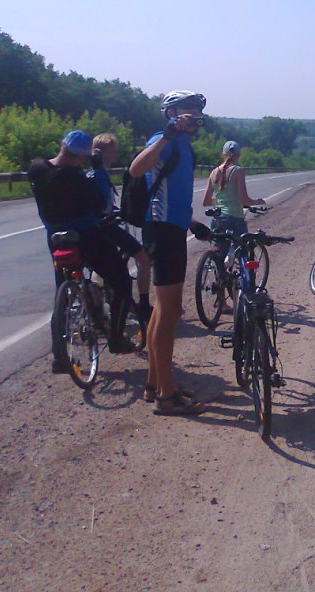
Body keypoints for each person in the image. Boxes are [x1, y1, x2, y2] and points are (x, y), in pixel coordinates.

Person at [28, 130, 137, 372]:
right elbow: (101, 203)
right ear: (80, 157)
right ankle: (116, 337)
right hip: (86, 237)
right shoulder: (75, 178)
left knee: (63, 293)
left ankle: (60, 357)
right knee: (120, 280)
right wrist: (98, 170)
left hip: (56, 238)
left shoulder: (37, 169)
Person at [129, 90, 208, 415]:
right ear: (171, 113)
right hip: (161, 231)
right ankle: (167, 395)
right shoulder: (163, 139)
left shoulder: (184, 145)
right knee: (170, 311)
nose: (195, 114)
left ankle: (154, 384)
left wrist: (192, 223)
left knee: (163, 311)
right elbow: (136, 169)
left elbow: (171, 194)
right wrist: (168, 135)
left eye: (197, 110)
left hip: (172, 228)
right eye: (188, 109)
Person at [87, 132, 153, 321]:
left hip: (90, 227)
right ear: (102, 152)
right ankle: (142, 305)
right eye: (113, 151)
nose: (116, 155)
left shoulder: (91, 173)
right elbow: (101, 205)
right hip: (103, 227)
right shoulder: (99, 175)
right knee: (143, 258)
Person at [201, 140, 266, 240]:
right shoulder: (238, 171)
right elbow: (244, 200)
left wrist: (221, 201)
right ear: (238, 155)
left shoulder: (213, 172)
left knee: (219, 248)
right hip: (234, 219)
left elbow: (206, 202)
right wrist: (257, 202)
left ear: (223, 154)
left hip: (217, 220)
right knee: (242, 246)